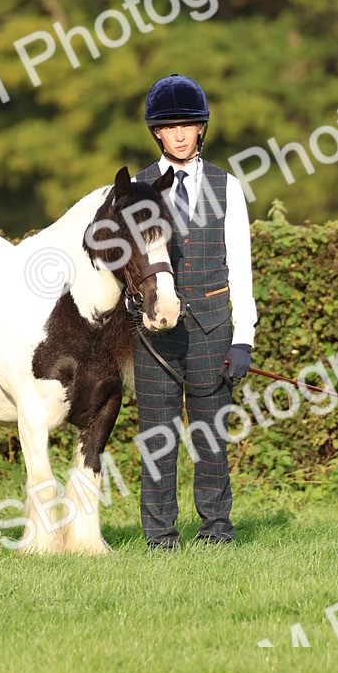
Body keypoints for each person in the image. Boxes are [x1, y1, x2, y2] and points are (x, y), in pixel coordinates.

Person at [131, 74, 257, 549]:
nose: (181, 135)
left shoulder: (227, 187)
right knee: (157, 439)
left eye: (189, 125)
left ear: (201, 128)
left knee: (210, 438)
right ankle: (160, 536)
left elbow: (239, 266)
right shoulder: (138, 187)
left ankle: (216, 530)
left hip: (212, 328)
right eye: (171, 127)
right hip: (153, 333)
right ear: (157, 133)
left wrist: (244, 337)